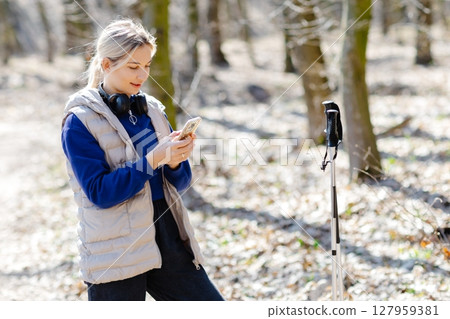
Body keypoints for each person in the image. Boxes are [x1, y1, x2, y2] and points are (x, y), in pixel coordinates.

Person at [61, 18, 224, 301]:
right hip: (115, 248)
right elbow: (100, 192)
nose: (143, 75)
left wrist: (175, 161)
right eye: (134, 67)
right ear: (106, 65)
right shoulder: (78, 122)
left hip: (168, 234)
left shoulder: (153, 110)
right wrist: (152, 160)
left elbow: (180, 182)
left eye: (147, 65)